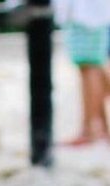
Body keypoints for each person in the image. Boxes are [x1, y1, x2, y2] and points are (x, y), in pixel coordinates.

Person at [54, 0, 110, 146]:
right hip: (89, 14)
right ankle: (99, 127)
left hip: (87, 15)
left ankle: (90, 129)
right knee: (93, 64)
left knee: (89, 65)